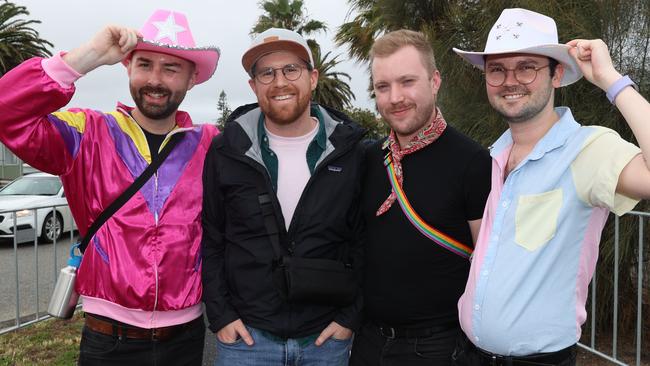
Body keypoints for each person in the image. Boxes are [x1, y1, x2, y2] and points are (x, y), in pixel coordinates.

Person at [0, 9, 219, 366]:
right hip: (108, 340)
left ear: (193, 78)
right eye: (145, 64)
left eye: (171, 68)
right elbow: (6, 111)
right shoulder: (88, 132)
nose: (155, 79)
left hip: (187, 337)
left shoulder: (212, 143)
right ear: (127, 67)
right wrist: (86, 57)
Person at [452, 7, 650, 365]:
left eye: (527, 67)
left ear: (556, 74)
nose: (510, 80)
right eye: (497, 69)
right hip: (469, 354)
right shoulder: (495, 155)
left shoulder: (587, 150)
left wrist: (611, 80)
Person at [201, 28, 365, 365]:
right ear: (253, 85)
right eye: (267, 73)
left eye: (291, 69)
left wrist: (351, 316)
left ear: (313, 77)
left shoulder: (352, 153)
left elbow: (367, 241)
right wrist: (221, 316)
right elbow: (212, 238)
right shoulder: (226, 150)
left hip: (326, 343)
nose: (279, 82)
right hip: (246, 342)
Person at [349, 30, 491, 366]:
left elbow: (488, 270)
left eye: (407, 81)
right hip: (368, 343)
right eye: (383, 87)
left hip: (440, 348)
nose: (395, 97)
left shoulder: (472, 162)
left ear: (435, 81)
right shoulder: (370, 159)